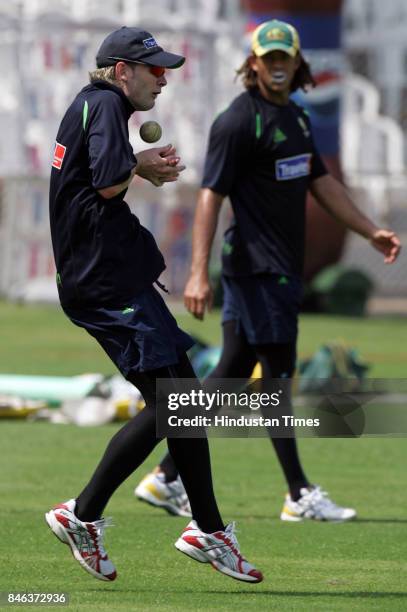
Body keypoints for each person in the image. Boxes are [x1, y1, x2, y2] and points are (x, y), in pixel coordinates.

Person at [135, 19, 401, 522]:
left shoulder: (296, 118)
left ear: (297, 64)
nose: (277, 66)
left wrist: (370, 231)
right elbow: (210, 195)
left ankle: (166, 475)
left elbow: (323, 185)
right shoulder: (239, 121)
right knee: (275, 379)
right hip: (258, 270)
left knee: (233, 370)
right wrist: (197, 272)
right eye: (268, 58)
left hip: (274, 269)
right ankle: (298, 493)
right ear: (253, 64)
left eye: (285, 58)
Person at [45, 26, 263, 585]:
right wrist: (141, 166)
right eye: (153, 69)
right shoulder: (103, 103)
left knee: (182, 401)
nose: (163, 78)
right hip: (106, 284)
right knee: (180, 402)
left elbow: (101, 181)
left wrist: (137, 166)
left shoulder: (98, 106)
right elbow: (109, 180)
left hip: (112, 278)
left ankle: (206, 530)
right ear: (123, 71)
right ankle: (83, 512)